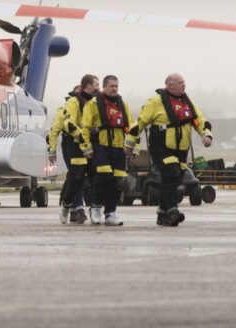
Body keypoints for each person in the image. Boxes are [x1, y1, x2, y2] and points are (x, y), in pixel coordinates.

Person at [125, 74, 213, 226]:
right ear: (170, 85)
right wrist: (130, 144)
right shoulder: (155, 101)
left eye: (184, 82)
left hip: (181, 149)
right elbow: (140, 122)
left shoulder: (187, 101)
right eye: (180, 83)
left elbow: (199, 120)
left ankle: (162, 213)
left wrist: (206, 134)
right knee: (170, 173)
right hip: (161, 146)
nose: (183, 85)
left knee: (178, 177)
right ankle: (172, 210)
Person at [82, 75, 135, 226]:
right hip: (100, 145)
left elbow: (131, 127)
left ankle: (111, 213)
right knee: (103, 175)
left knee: (117, 180)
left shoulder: (122, 104)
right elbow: (85, 127)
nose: (114, 89)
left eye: (116, 86)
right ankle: (96, 207)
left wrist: (134, 148)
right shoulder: (93, 104)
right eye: (111, 86)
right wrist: (86, 148)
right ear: (104, 87)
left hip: (119, 147)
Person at [48, 75, 99, 224]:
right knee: (77, 177)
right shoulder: (65, 108)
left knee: (93, 177)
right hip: (73, 144)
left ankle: (92, 208)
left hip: (91, 144)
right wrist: (52, 151)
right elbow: (55, 130)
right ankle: (76, 209)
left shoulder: (93, 104)